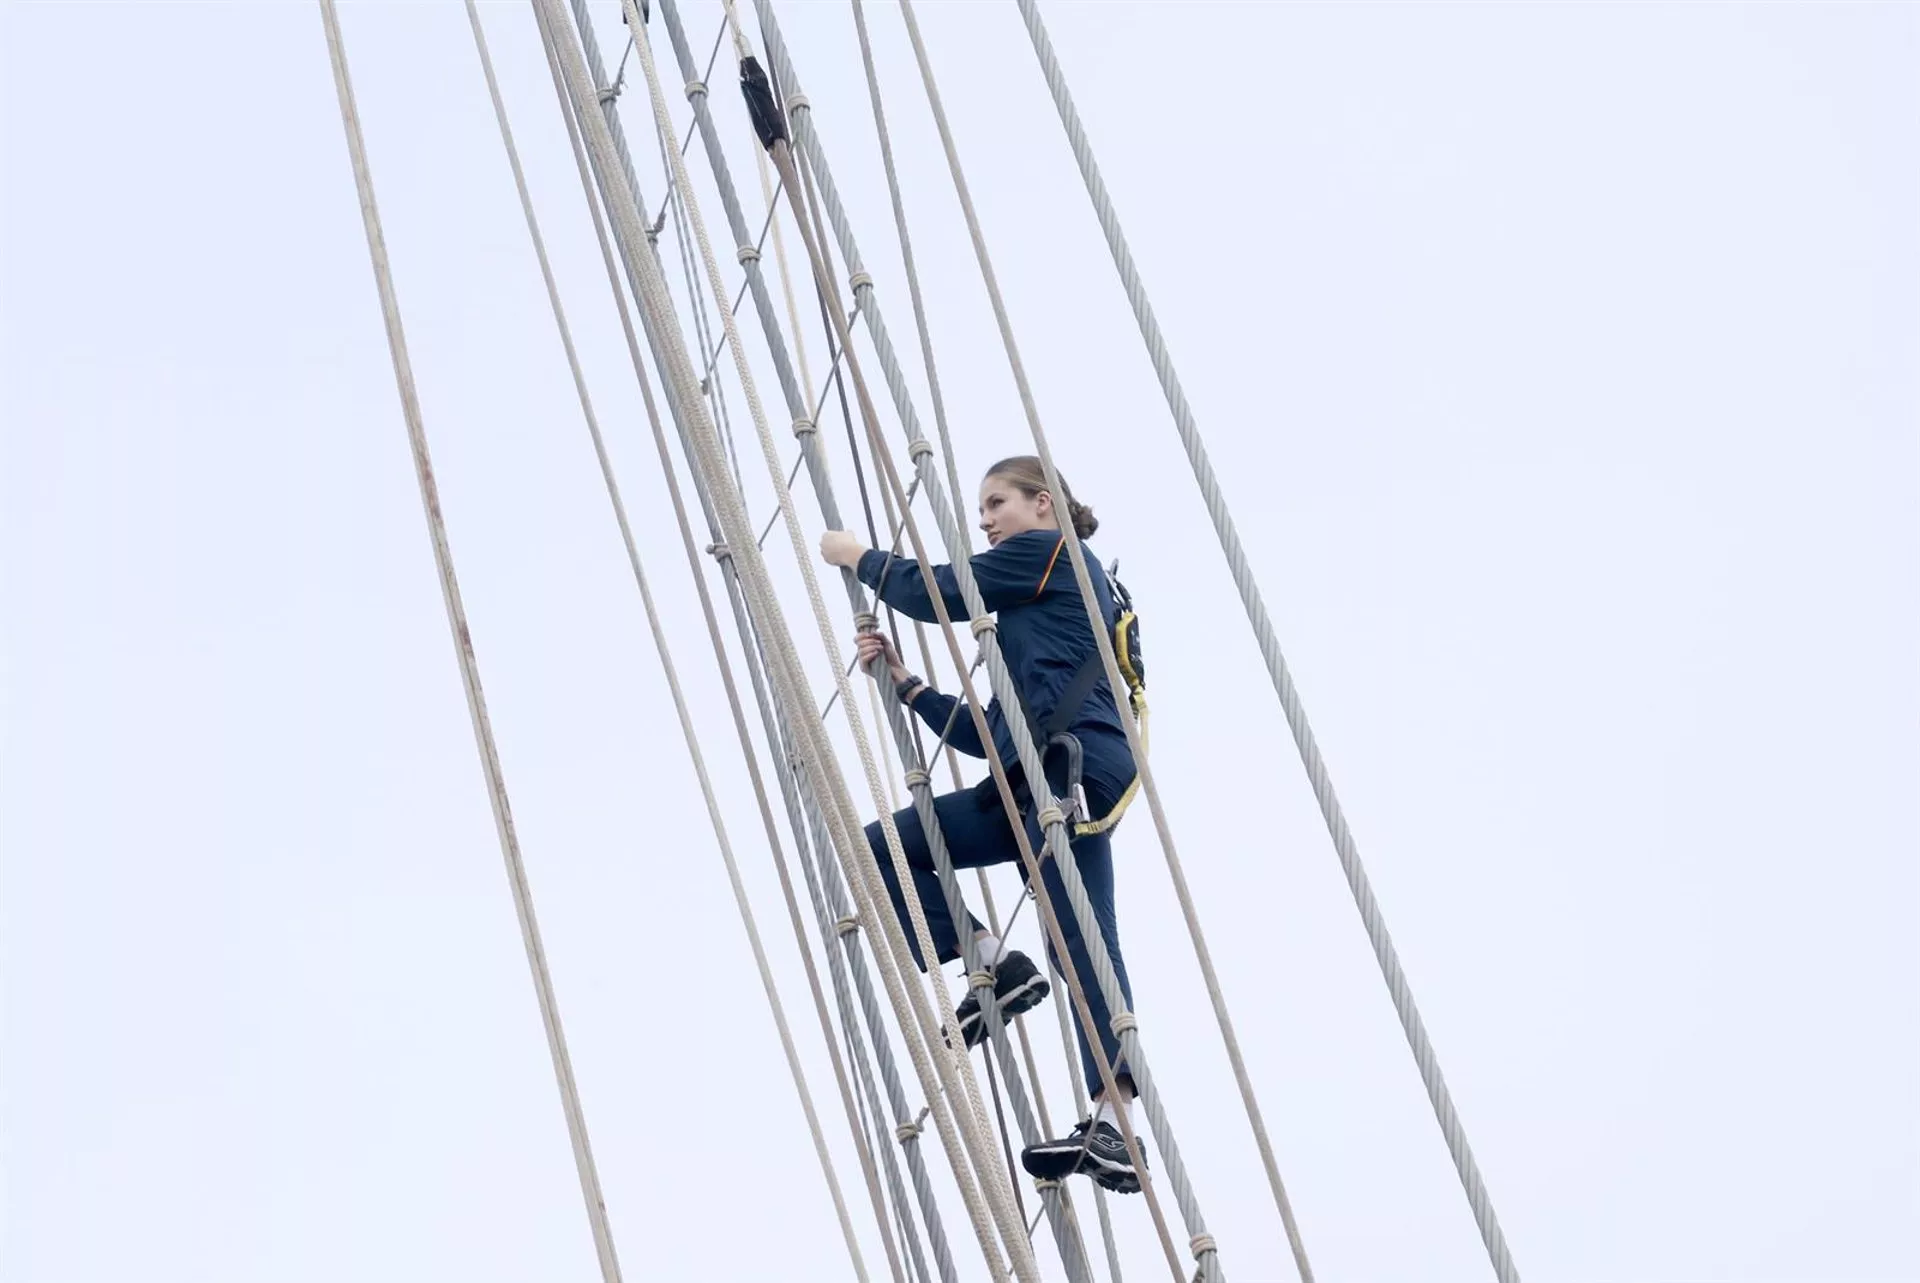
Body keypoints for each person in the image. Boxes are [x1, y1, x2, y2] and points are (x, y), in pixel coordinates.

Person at [817, 455, 1144, 1194]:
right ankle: (992, 964)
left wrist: (856, 556)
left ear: (1043, 505)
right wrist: (908, 685)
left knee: (1083, 935)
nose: (988, 519)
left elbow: (935, 591)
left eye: (998, 503)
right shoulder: (1034, 622)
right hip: (1034, 772)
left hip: (1076, 771)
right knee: (885, 849)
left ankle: (1117, 1123)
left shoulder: (1054, 553)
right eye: (983, 509)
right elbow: (993, 738)